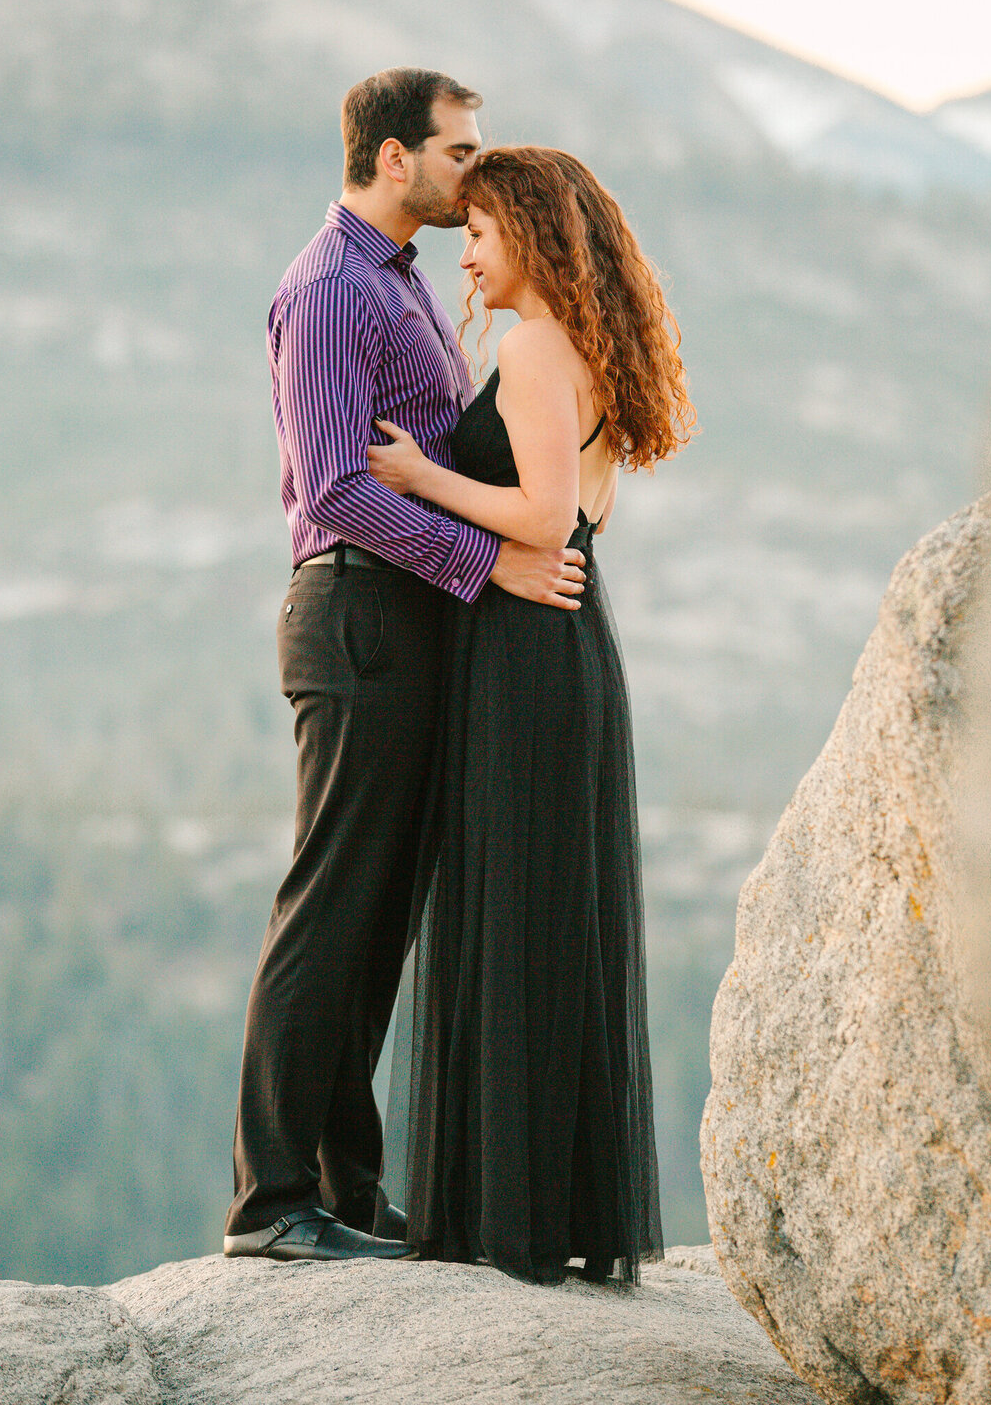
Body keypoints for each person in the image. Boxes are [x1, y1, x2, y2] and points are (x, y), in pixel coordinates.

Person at [223, 72, 587, 1264]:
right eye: (457, 152)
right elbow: (333, 487)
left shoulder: (402, 283)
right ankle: (272, 1204)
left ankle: (343, 1189)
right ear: (392, 159)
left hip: (406, 620)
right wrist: (487, 566)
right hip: (360, 617)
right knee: (332, 902)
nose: (471, 173)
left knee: (376, 915)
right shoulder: (332, 292)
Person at [367, 146, 694, 1283]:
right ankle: (544, 1214)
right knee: (546, 916)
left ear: (537, 235)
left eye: (487, 230)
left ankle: (509, 1224)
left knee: (518, 913)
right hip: (563, 645)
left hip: (531, 645)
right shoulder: (580, 344)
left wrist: (419, 479)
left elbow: (545, 515)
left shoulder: (535, 344)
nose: (473, 251)